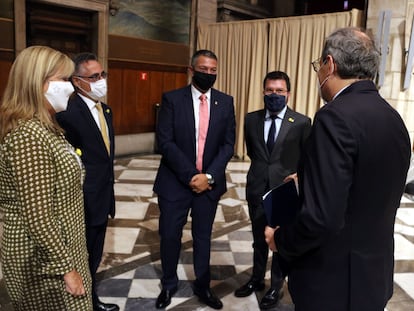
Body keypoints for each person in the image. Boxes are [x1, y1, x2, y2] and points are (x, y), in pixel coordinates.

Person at [264, 27, 411, 311]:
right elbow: (369, 183)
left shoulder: (333, 117)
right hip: (373, 276)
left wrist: (281, 240)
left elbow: (322, 219)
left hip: (333, 283)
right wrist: (309, 177)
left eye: (319, 66)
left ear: (329, 64)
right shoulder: (393, 117)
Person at [0, 46, 92, 310]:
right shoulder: (28, 135)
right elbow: (38, 217)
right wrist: (67, 269)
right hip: (43, 262)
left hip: (62, 250)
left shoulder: (46, 127)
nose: (71, 88)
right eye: (63, 80)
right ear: (36, 82)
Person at [153, 49, 236, 310]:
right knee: (169, 235)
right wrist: (191, 176)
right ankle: (168, 284)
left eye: (213, 70)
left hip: (208, 185)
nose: (209, 74)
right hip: (175, 183)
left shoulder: (225, 102)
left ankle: (202, 285)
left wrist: (209, 176)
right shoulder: (172, 100)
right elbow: (165, 142)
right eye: (204, 69)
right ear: (191, 70)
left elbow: (228, 144)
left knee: (203, 236)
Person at [235, 71, 311, 309]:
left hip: (284, 192)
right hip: (257, 187)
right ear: (263, 91)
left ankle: (276, 286)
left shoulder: (301, 122)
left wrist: (298, 175)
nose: (274, 95)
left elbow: (306, 157)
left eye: (280, 91)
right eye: (270, 90)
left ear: (288, 94)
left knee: (280, 241)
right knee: (258, 239)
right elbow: (253, 152)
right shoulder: (250, 119)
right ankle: (256, 279)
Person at [56, 53, 118, 311]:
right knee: (80, 256)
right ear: (77, 81)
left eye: (103, 75)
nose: (101, 81)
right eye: (94, 77)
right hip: (80, 199)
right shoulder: (67, 113)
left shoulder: (105, 109)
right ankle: (81, 302)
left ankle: (90, 299)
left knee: (95, 252)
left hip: (103, 197)